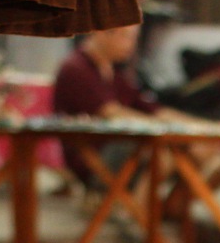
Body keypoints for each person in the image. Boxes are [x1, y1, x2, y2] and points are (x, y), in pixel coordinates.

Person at [51, 24, 161, 181]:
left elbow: (153, 109)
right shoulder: (75, 69)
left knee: (186, 150)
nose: (131, 45)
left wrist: (195, 126)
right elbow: (110, 112)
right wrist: (163, 128)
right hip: (91, 158)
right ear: (102, 33)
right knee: (163, 153)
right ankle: (121, 198)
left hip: (118, 149)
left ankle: (130, 196)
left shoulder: (113, 72)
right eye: (126, 37)